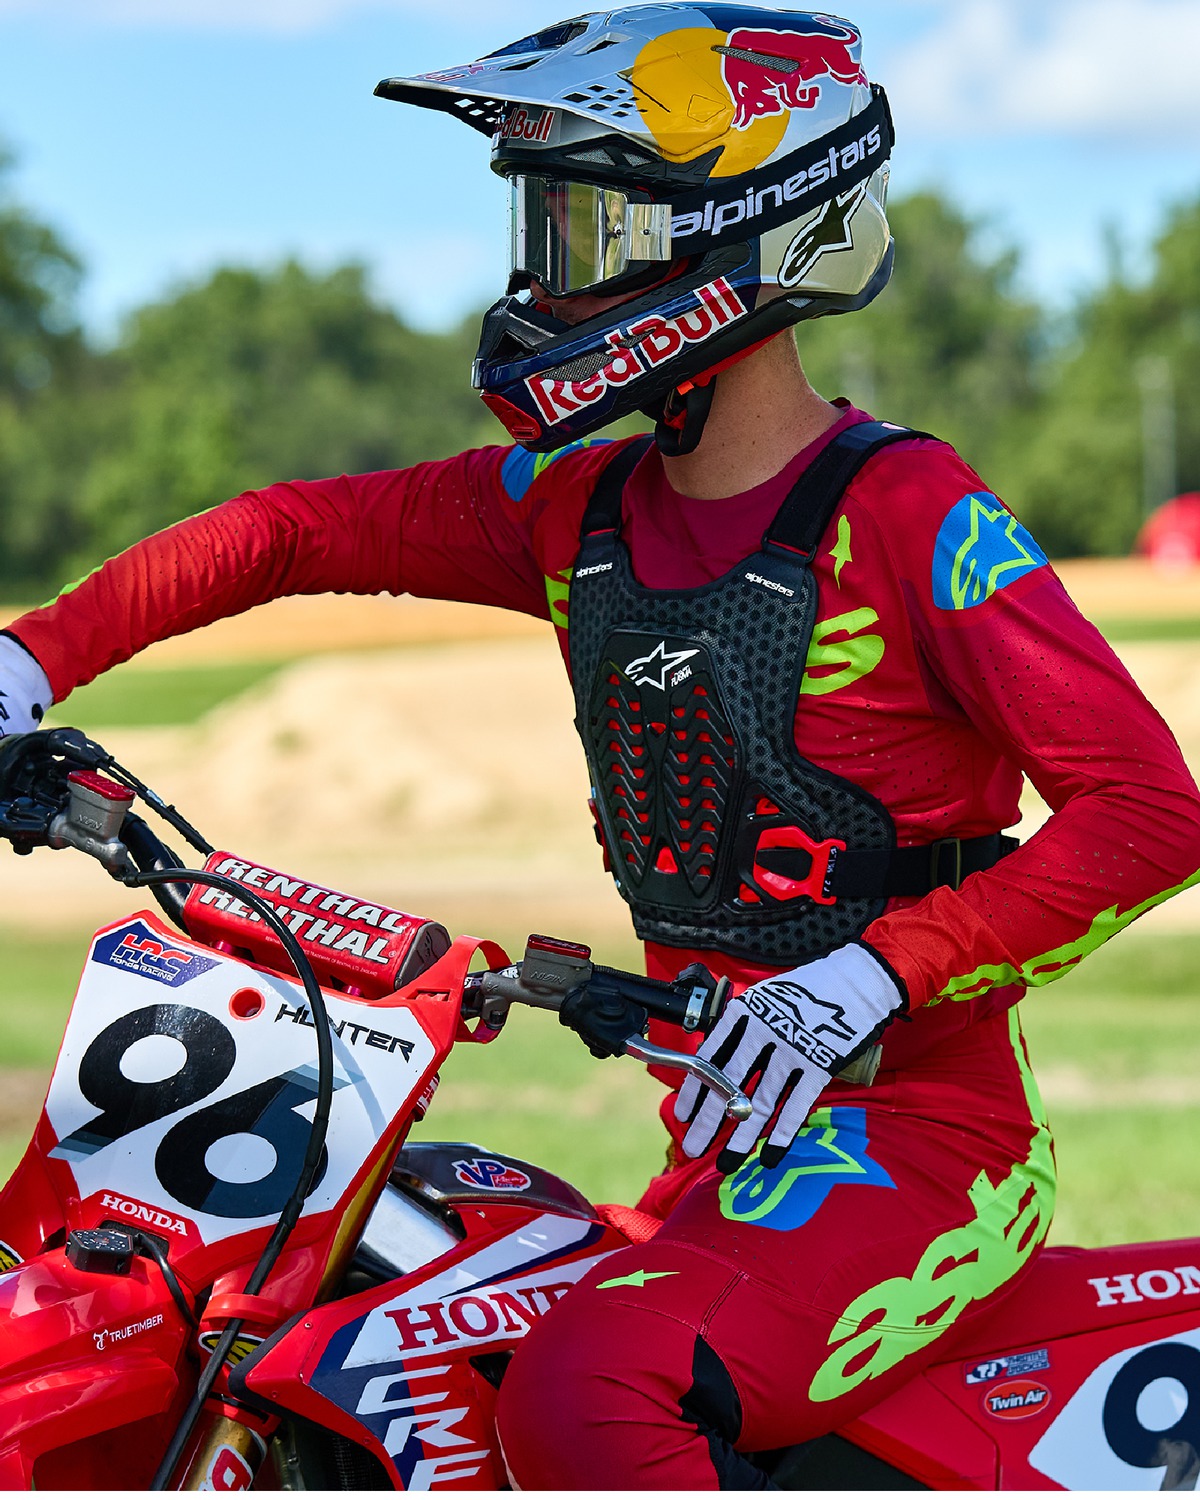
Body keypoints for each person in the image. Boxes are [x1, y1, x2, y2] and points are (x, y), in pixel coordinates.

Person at [1, 7, 1199, 1489]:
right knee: (388, 1309)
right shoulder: (577, 510)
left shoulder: (911, 516)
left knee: (587, 1393)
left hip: (924, 1144)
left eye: (585, 232)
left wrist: (867, 977)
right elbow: (288, 531)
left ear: (737, 244)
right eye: (539, 228)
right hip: (722, 1150)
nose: (539, 284)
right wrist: (27, 661)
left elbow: (1150, 811)